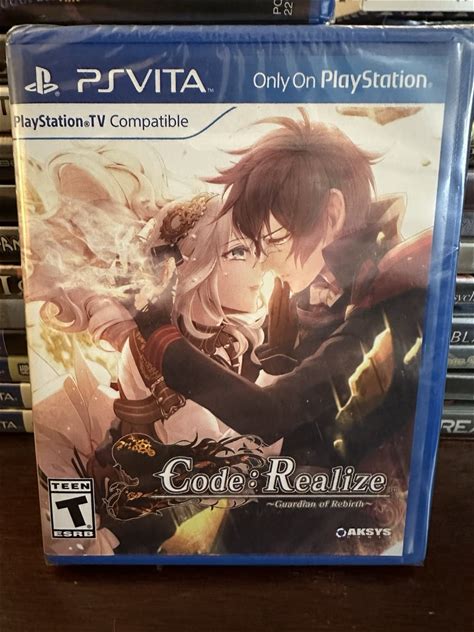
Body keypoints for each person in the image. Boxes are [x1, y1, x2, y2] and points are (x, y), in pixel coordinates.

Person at [134, 110, 431, 553]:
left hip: (348, 525)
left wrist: (156, 331)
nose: (267, 261)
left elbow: (269, 413)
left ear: (331, 213)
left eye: (274, 241)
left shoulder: (393, 304)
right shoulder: (325, 290)